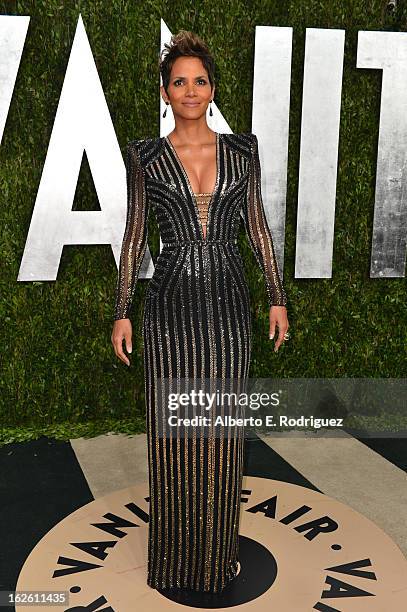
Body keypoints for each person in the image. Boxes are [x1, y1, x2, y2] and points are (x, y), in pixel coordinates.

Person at [111, 30, 290, 594]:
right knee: (173, 439)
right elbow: (135, 232)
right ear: (165, 93)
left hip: (230, 310)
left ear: (212, 90)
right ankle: (172, 565)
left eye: (201, 80)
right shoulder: (146, 155)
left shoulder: (243, 150)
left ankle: (214, 562)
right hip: (168, 308)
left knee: (221, 439)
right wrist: (123, 310)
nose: (191, 90)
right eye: (180, 81)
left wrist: (276, 295)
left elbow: (257, 226)